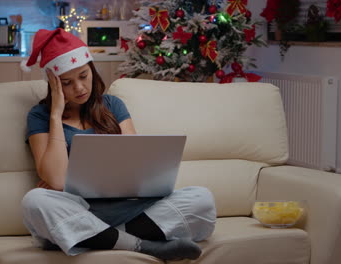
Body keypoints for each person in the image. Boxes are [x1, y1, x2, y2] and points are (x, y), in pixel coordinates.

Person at [20, 28, 216, 261]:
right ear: (54, 85)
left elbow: (135, 165)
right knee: (35, 201)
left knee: (201, 199)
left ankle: (93, 238)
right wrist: (56, 114)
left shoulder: (113, 105)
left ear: (92, 70)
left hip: (129, 209)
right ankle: (144, 245)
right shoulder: (40, 116)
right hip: (79, 209)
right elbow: (56, 179)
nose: (80, 88)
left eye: (83, 76)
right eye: (67, 83)